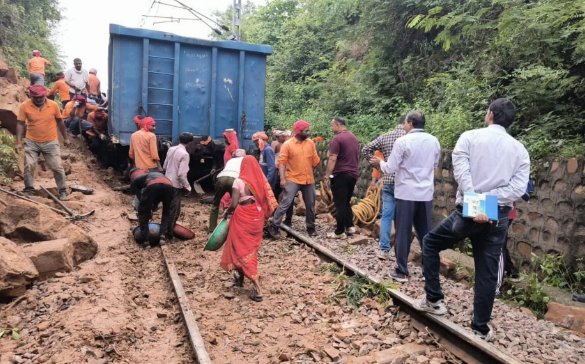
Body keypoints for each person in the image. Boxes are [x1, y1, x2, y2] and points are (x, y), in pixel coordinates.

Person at [415, 98, 530, 342]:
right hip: (497, 217)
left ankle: (434, 299)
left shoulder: (469, 137)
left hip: (467, 211)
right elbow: (518, 188)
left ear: (490, 114)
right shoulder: (519, 149)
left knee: (430, 243)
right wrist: (489, 203)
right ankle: (480, 327)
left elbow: (462, 173)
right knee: (487, 273)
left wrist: (476, 202)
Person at [371, 111, 440, 282]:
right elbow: (435, 165)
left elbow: (391, 167)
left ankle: (402, 270)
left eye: (405, 123)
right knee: (426, 233)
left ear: (409, 123)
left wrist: (379, 163)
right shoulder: (434, 141)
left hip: (406, 193)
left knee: (403, 231)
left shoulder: (403, 141)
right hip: (425, 194)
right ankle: (428, 271)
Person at [220, 155, 278, 302]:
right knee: (250, 248)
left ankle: (258, 289)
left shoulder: (238, 181)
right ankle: (239, 278)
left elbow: (233, 204)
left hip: (243, 216)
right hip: (257, 215)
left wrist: (226, 214)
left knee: (240, 248)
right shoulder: (260, 181)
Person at [268, 120, 326, 238]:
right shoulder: (288, 144)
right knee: (286, 202)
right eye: (306, 131)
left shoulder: (310, 143)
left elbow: (316, 160)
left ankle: (311, 228)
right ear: (299, 132)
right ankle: (274, 225)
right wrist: (283, 179)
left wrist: (321, 174)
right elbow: (282, 163)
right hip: (293, 178)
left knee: (310, 204)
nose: (309, 133)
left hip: (308, 179)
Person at [362, 116, 406, 259]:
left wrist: (378, 165)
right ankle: (401, 253)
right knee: (403, 217)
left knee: (387, 215)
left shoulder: (385, 137)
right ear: (407, 122)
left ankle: (384, 249)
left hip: (387, 180)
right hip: (405, 183)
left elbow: (366, 149)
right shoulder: (411, 138)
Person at [15, 85, 70, 200]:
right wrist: (19, 142)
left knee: (57, 167)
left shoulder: (53, 105)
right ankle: (29, 190)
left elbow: (60, 122)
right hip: (32, 141)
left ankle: (63, 191)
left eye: (41, 97)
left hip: (50, 141)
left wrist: (65, 138)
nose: (39, 99)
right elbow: (20, 123)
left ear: (45, 95)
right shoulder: (24, 106)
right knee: (29, 165)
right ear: (31, 96)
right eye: (36, 97)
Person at [325, 117, 359, 239]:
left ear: (338, 125)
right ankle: (350, 226)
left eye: (332, 125)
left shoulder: (337, 138)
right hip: (353, 175)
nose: (331, 128)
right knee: (346, 201)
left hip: (340, 174)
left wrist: (327, 176)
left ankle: (339, 232)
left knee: (339, 203)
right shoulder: (354, 138)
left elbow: (333, 158)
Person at [130, 169, 174, 246]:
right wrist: (152, 209)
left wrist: (146, 210)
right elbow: (156, 199)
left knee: (142, 212)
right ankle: (163, 236)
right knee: (166, 212)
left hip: (153, 185)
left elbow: (141, 199)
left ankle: (146, 241)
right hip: (168, 185)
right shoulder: (149, 175)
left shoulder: (134, 182)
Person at [164, 132, 194, 237]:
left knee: (166, 208)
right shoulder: (185, 154)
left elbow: (164, 166)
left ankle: (165, 230)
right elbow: (181, 174)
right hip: (175, 185)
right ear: (190, 143)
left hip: (166, 181)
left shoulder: (171, 149)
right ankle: (169, 233)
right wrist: (188, 187)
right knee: (174, 211)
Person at [209, 149, 246, 232]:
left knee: (215, 205)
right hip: (235, 179)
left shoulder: (230, 160)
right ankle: (235, 229)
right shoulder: (244, 161)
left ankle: (211, 231)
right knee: (237, 204)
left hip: (221, 177)